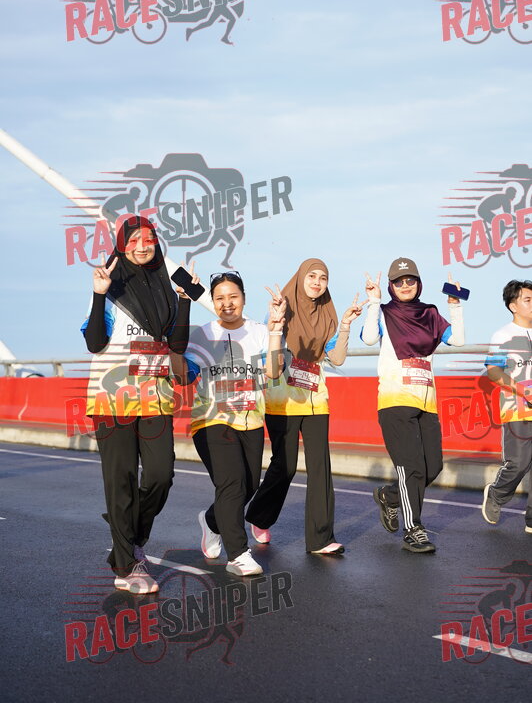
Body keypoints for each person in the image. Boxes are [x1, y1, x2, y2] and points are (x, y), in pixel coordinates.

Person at [81, 216, 193, 593]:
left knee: (161, 474)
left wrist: (184, 300)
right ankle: (127, 567)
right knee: (122, 480)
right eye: (134, 240)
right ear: (121, 244)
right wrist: (99, 294)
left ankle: (130, 535)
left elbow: (177, 346)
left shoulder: (166, 286)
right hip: (111, 399)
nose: (142, 246)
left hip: (156, 397)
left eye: (149, 239)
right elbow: (95, 343)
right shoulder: (111, 284)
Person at [245, 258, 366, 555]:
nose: (317, 282)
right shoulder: (281, 309)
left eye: (323, 278)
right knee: (284, 467)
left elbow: (337, 359)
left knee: (320, 468)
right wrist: (276, 322)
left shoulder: (328, 315)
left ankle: (321, 539)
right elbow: (269, 356)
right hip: (283, 400)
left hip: (316, 400)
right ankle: (260, 516)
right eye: (311, 276)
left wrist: (346, 325)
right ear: (300, 278)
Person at [184, 271, 286, 576]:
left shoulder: (259, 332)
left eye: (233, 296)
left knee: (248, 486)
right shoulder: (201, 335)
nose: (227, 303)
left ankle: (211, 521)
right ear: (213, 302)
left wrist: (276, 330)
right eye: (220, 298)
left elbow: (274, 372)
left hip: (251, 420)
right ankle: (239, 555)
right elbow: (185, 374)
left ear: (243, 298)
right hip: (211, 418)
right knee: (231, 483)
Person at [362, 258, 465, 553]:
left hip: (427, 402)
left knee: (432, 467)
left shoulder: (430, 313)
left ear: (419, 284)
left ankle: (389, 496)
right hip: (394, 400)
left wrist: (455, 305)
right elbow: (368, 338)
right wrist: (374, 302)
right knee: (410, 468)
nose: (405, 286)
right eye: (399, 281)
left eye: (410, 280)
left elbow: (458, 340)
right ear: (390, 286)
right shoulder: (385, 312)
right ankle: (413, 529)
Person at [482, 280, 532, 534]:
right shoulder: (502, 335)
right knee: (519, 462)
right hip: (517, 406)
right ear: (513, 306)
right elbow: (493, 371)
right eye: (528, 300)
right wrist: (523, 390)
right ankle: (497, 494)